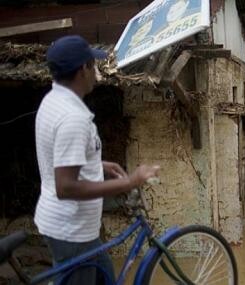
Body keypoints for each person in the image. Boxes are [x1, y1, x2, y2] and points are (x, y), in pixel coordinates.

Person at [35, 35, 160, 284]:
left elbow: (59, 157)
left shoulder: (53, 101)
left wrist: (97, 165)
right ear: (83, 69)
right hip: (72, 231)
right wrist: (130, 182)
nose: (97, 72)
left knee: (105, 276)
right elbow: (66, 186)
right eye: (93, 65)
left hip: (73, 228)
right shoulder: (72, 119)